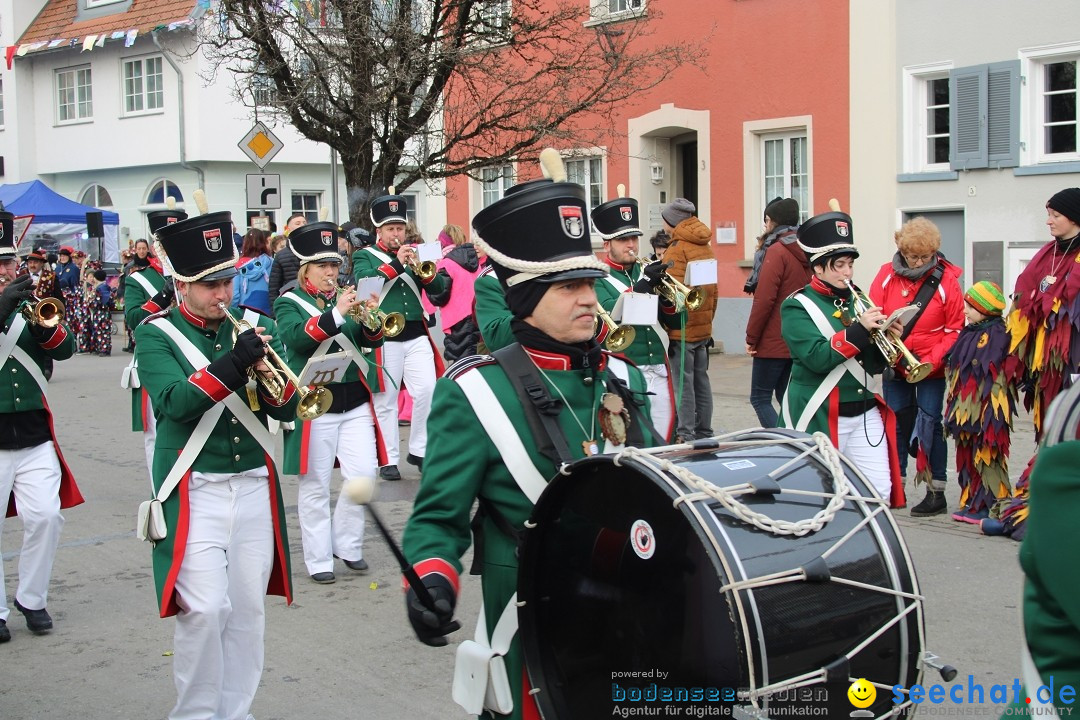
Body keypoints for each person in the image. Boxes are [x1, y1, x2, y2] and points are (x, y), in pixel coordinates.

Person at [402, 166, 661, 720]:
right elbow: (437, 517)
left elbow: (660, 487)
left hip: (626, 619)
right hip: (534, 626)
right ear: (523, 300)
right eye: (569, 287)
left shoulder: (623, 380)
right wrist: (432, 578)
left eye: (590, 283)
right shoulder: (475, 393)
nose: (590, 299)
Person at [135, 209, 299, 720]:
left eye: (226, 281)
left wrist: (283, 384)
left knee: (247, 612)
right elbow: (175, 403)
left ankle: (236, 710)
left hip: (252, 484)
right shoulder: (155, 334)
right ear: (181, 284)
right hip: (194, 487)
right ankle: (196, 714)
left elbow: (288, 406)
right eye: (209, 285)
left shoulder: (256, 325)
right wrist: (234, 363)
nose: (222, 295)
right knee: (205, 610)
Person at [274, 221, 386, 584]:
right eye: (324, 266)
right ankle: (319, 557)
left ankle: (348, 544)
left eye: (336, 265)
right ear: (306, 269)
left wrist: (370, 316)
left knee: (364, 476)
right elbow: (295, 339)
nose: (331, 272)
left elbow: (372, 340)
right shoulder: (288, 301)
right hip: (315, 403)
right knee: (316, 484)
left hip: (353, 399)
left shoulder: (346, 296)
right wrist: (337, 313)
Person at [778, 210, 905, 506]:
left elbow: (872, 364)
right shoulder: (797, 306)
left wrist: (890, 337)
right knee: (819, 495)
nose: (847, 273)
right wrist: (860, 331)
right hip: (819, 411)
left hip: (864, 409)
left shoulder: (859, 300)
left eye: (849, 265)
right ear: (818, 268)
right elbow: (816, 358)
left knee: (878, 493)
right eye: (838, 265)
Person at [0, 209, 82, 645]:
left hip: (33, 433)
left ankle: (31, 597)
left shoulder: (28, 306)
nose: (8, 271)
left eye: (10, 264)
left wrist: (43, 322)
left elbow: (66, 349)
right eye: (0, 266)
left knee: (46, 517)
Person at [997, 187, 1080, 540]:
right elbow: (1025, 295)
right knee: (1050, 427)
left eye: (1055, 215)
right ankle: (1040, 503)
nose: (1048, 221)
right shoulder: (1048, 253)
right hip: (1047, 366)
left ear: (1074, 216)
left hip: (1073, 360)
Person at [352, 193, 452, 481]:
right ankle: (388, 458)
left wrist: (428, 273)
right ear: (379, 231)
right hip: (383, 335)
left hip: (416, 331)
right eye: (390, 229)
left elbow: (439, 290)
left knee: (428, 390)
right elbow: (363, 286)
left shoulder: (417, 253)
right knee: (387, 398)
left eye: (400, 228)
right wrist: (396, 263)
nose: (397, 234)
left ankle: (420, 450)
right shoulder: (365, 256)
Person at [869, 217, 964, 516]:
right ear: (901, 249)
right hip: (895, 364)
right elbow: (873, 313)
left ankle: (936, 491)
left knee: (930, 424)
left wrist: (930, 360)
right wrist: (887, 336)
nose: (919, 261)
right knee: (895, 423)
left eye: (925, 257)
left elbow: (955, 329)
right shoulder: (887, 274)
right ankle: (894, 487)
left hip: (929, 368)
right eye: (913, 256)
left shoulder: (947, 279)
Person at [591, 193, 683, 440]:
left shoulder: (645, 271)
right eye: (623, 240)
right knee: (635, 435)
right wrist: (643, 286)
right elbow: (610, 315)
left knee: (665, 434)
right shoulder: (597, 277)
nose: (631, 245)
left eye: (633, 238)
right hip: (625, 366)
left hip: (658, 365)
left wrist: (667, 300)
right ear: (607, 244)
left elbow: (673, 324)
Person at [942, 281, 1021, 525]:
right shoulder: (970, 331)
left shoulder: (997, 334)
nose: (965, 311)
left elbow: (997, 374)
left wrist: (989, 406)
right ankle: (972, 500)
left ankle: (992, 503)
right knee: (967, 453)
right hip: (965, 407)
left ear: (985, 309)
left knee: (987, 453)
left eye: (970, 306)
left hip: (987, 406)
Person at [125, 212, 183, 477]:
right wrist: (163, 297)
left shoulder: (192, 272)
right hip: (154, 358)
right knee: (155, 435)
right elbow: (134, 318)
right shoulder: (138, 279)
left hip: (190, 356)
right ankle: (159, 489)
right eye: (163, 242)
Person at [744, 197, 809, 428]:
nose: (765, 226)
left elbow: (764, 299)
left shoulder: (776, 251)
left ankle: (784, 443)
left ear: (772, 222)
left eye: (766, 220)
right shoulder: (807, 248)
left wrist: (752, 338)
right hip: (797, 337)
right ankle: (800, 438)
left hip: (772, 338)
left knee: (760, 398)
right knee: (786, 397)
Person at [661, 197, 718, 441]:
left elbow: (670, 292)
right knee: (701, 381)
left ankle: (685, 432)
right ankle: (704, 429)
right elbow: (713, 290)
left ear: (672, 222)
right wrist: (708, 321)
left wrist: (667, 325)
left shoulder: (677, 248)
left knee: (682, 385)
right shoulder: (704, 245)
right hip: (703, 325)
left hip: (682, 328)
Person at [422, 224, 485, 363]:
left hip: (458, 321)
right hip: (476, 314)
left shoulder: (446, 263)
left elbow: (439, 297)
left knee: (462, 363)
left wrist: (429, 281)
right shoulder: (472, 259)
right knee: (475, 360)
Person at [232, 228, 274, 315]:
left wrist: (233, 311)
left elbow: (235, 294)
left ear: (245, 243)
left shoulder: (238, 266)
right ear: (264, 242)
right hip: (267, 309)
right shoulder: (271, 262)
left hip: (245, 309)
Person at [268, 213, 307, 303]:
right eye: (297, 223)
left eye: (304, 223)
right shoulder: (281, 255)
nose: (302, 225)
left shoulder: (314, 252)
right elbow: (274, 287)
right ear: (288, 229)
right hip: (290, 301)